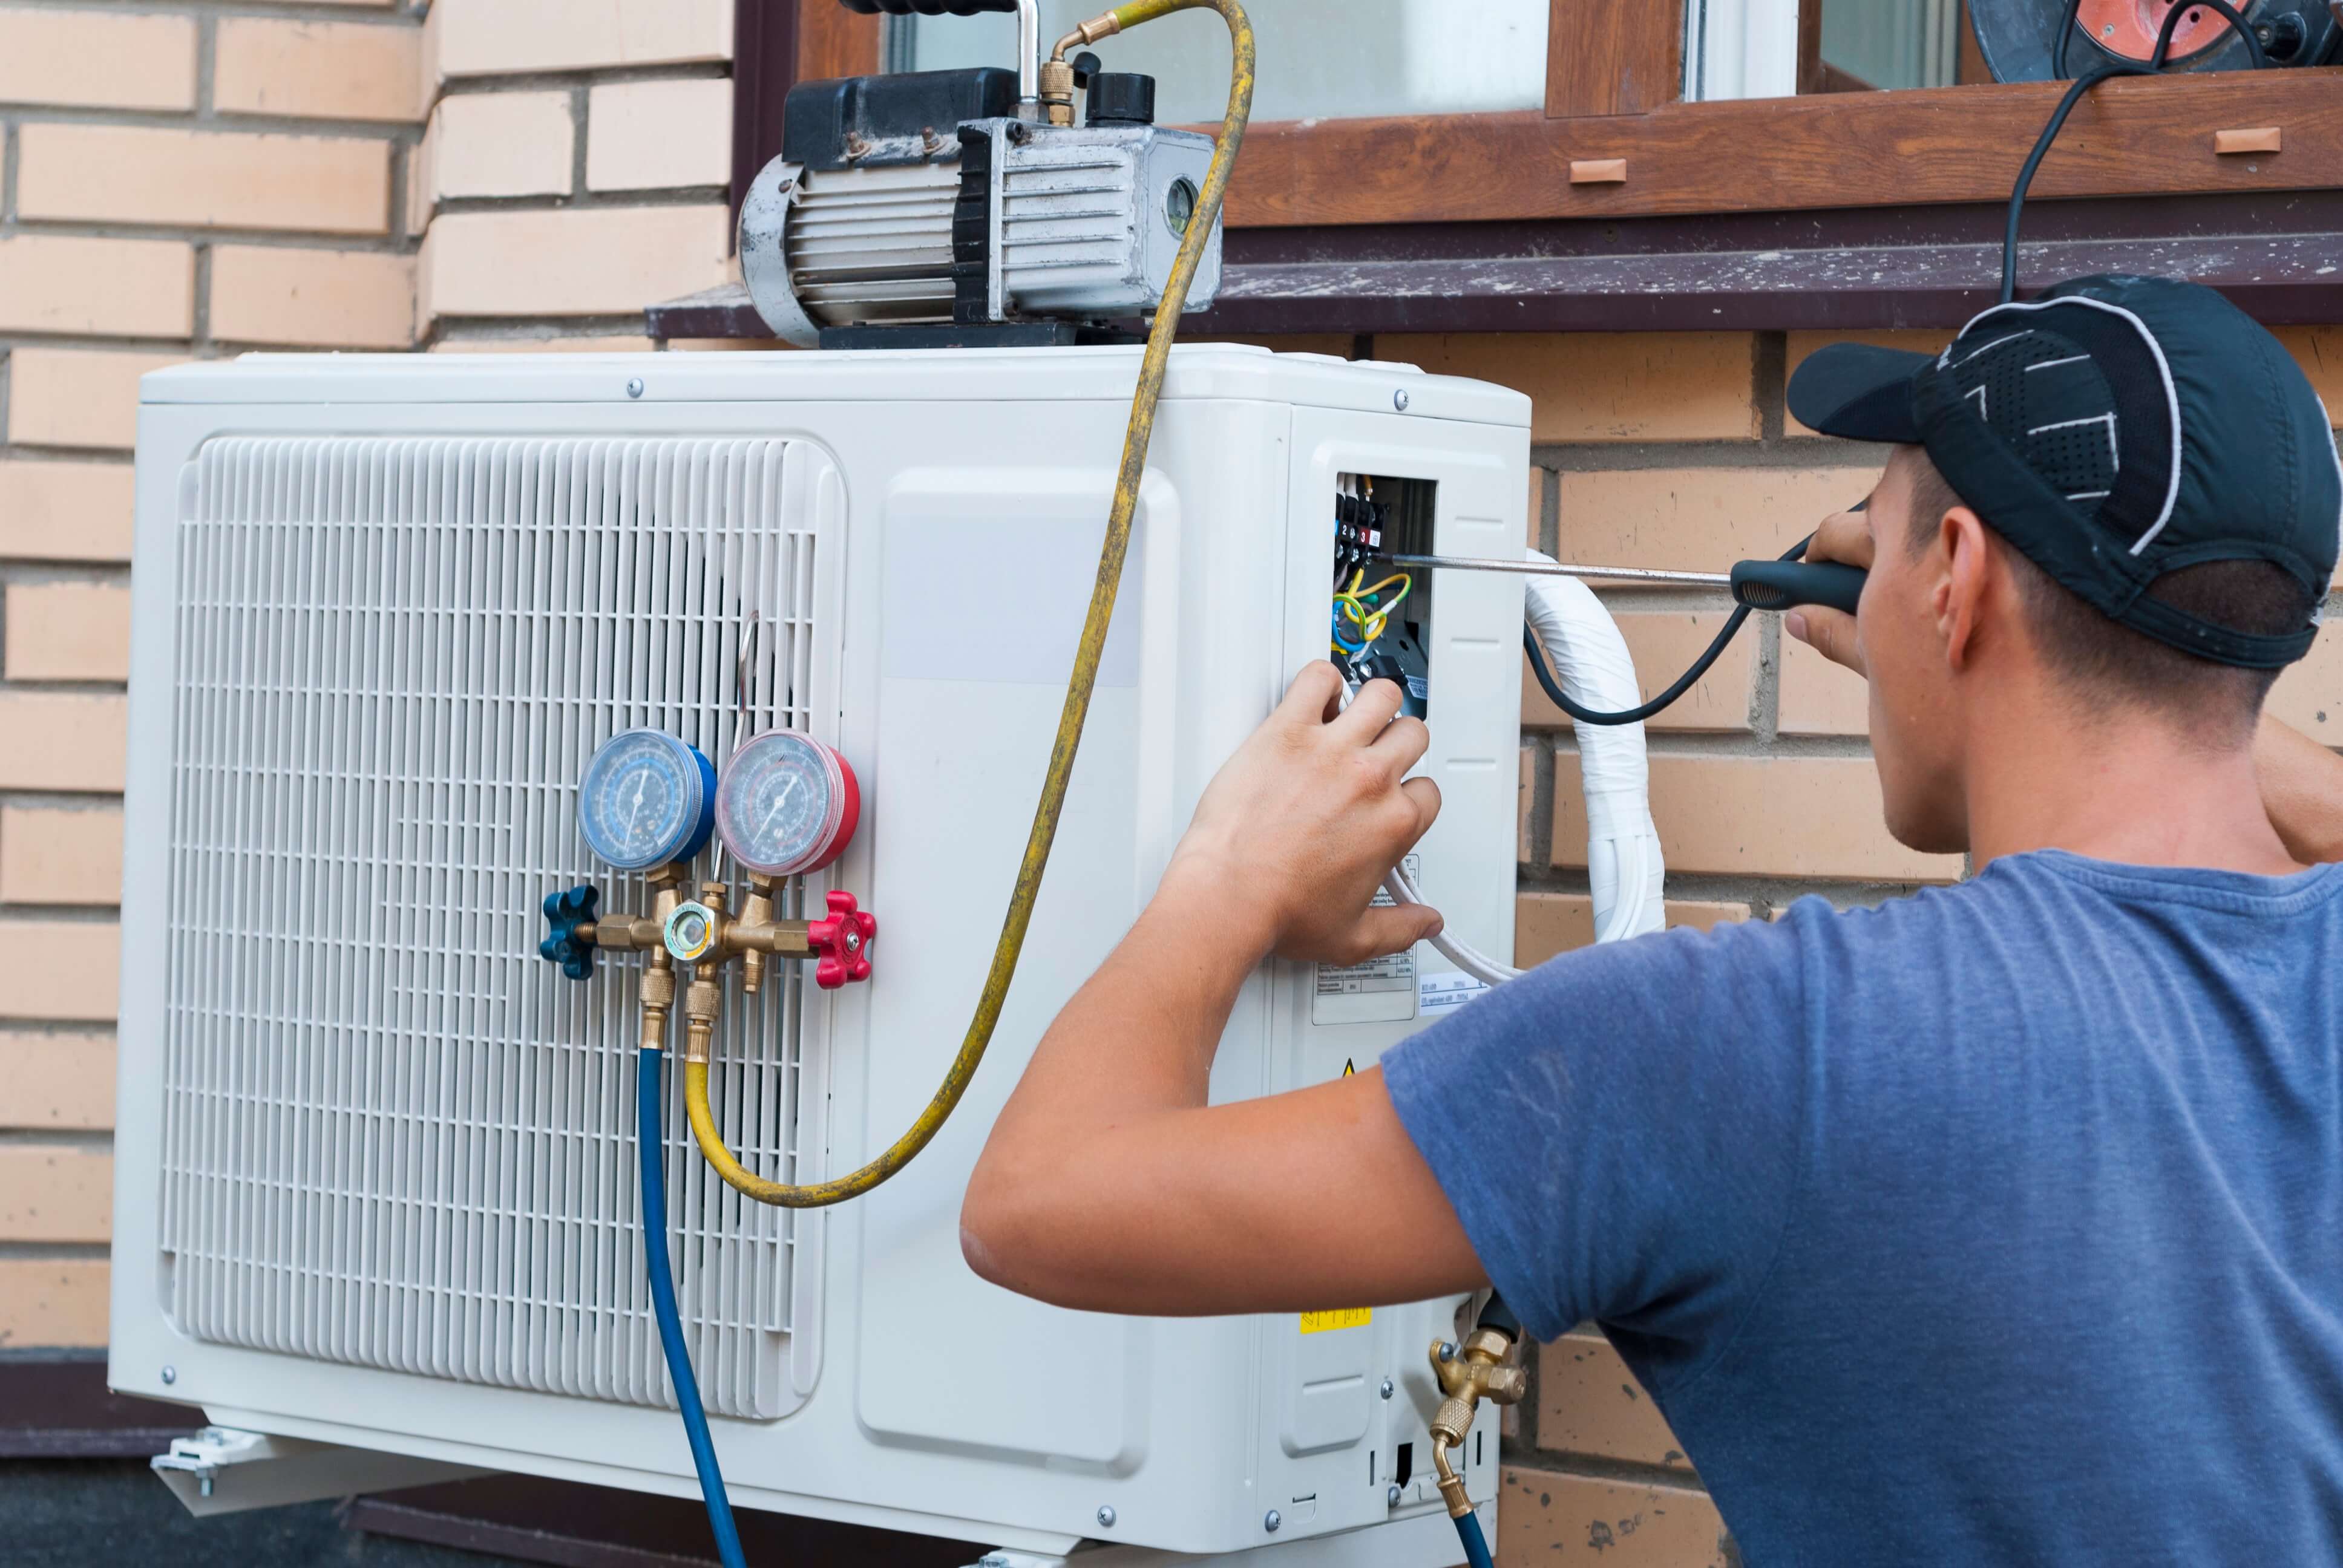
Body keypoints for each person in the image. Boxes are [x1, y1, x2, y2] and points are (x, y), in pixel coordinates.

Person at [960, 275, 2343, 1564]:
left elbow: (1038, 1205)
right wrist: (2062, 660)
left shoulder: (1746, 1047)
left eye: (1889, 528)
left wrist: (1231, 874)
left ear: (1958, 575)